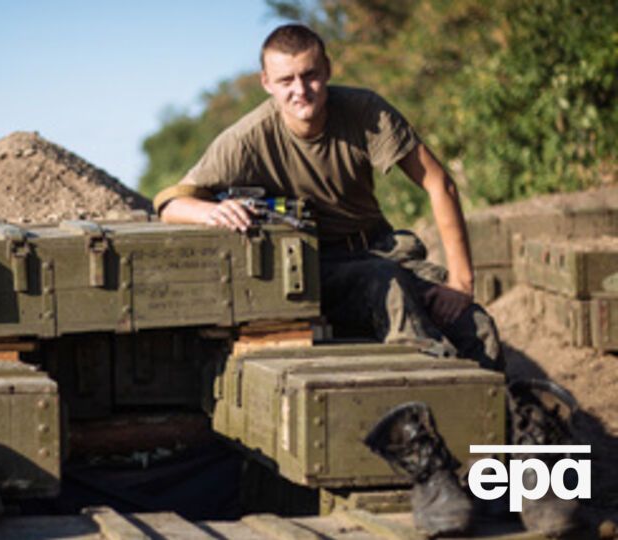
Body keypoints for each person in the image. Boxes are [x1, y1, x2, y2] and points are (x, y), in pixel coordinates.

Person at [154, 23, 502, 372]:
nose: (300, 90)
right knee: (386, 287)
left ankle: (503, 420)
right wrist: (211, 212)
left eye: (310, 76)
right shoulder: (246, 140)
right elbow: (170, 203)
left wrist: (460, 282)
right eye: (286, 81)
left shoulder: (365, 111)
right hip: (316, 268)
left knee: (478, 328)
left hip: (383, 249)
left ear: (328, 70)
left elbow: (439, 184)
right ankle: (426, 394)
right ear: (266, 83)